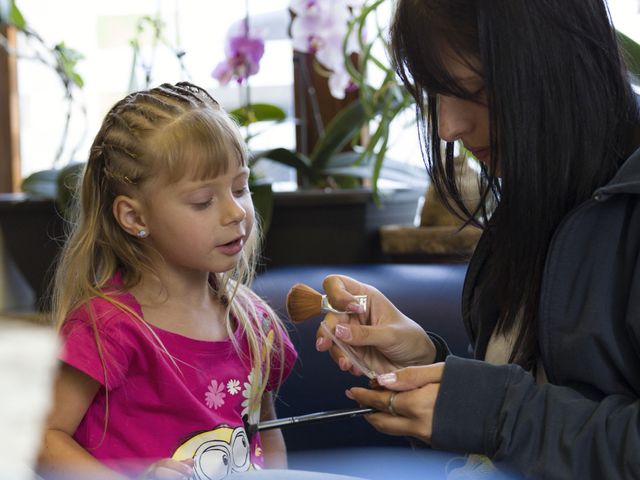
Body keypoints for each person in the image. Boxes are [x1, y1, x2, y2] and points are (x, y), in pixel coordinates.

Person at [315, 0, 640, 478]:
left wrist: (492, 412)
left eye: (475, 90)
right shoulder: (543, 187)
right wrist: (431, 366)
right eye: (436, 94)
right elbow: (536, 403)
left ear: (558, 61)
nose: (448, 128)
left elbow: (520, 416)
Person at [38, 82, 298, 480]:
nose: (236, 212)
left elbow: (267, 436)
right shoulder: (108, 328)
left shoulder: (254, 323)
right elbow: (44, 440)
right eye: (203, 201)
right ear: (135, 218)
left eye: (240, 188)